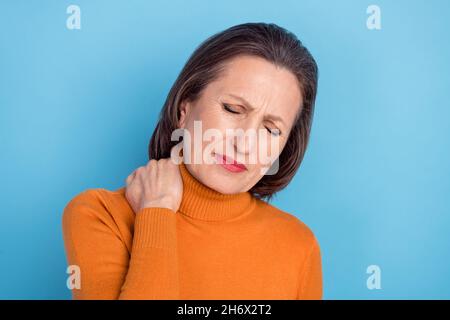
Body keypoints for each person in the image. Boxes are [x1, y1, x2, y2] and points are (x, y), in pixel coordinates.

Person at [62, 22, 322, 299]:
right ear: (184, 110)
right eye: (233, 109)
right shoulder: (101, 215)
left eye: (271, 129)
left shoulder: (299, 245)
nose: (244, 143)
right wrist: (156, 212)